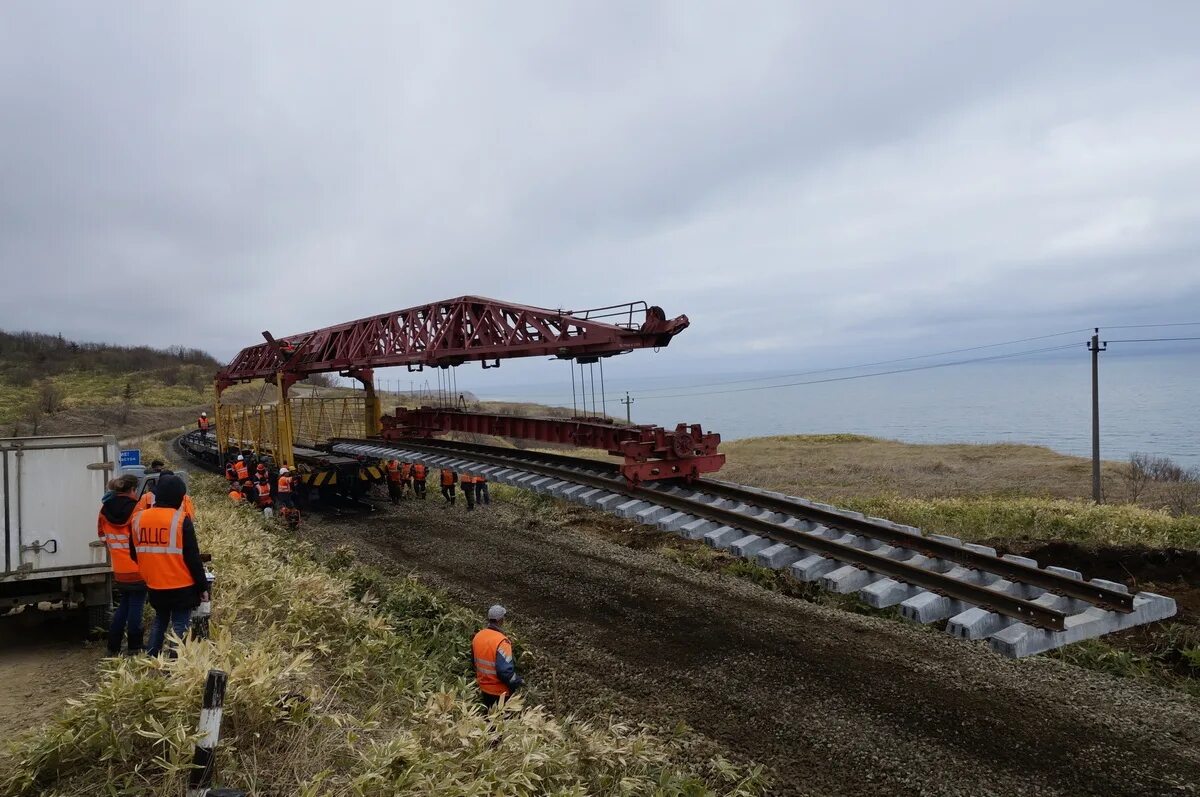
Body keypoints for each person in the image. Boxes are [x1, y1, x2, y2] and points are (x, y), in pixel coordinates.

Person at [129, 475, 208, 657]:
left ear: (156, 496)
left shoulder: (138, 519)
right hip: (181, 584)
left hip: (154, 583)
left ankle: (152, 657)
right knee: (180, 624)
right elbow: (193, 558)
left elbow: (134, 553)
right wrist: (202, 586)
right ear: (180, 498)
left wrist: (151, 568)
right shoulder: (180, 520)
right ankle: (175, 663)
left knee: (160, 620)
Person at [97, 474, 145, 655]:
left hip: (119, 569)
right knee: (136, 607)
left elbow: (102, 536)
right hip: (137, 567)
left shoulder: (104, 510)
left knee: (124, 605)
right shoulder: (137, 509)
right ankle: (135, 646)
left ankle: (113, 646)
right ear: (133, 489)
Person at [471, 604, 523, 710]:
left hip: (484, 688)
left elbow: (473, 662)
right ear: (501, 620)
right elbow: (505, 672)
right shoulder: (502, 641)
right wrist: (518, 681)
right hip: (499, 692)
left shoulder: (478, 636)